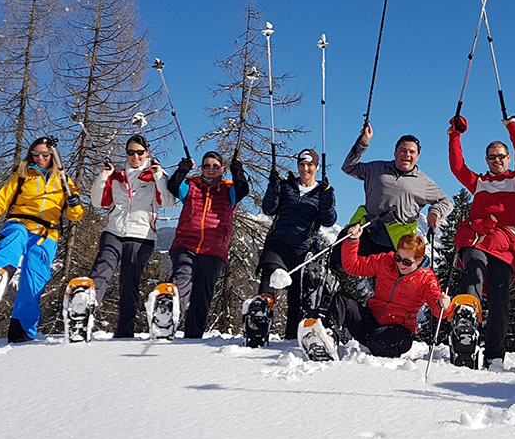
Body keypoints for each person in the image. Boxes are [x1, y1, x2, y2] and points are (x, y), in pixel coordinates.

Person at [0, 136, 84, 342]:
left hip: (47, 233)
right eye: (35, 154)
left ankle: (21, 332)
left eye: (45, 155)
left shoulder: (64, 180)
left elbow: (76, 216)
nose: (40, 158)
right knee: (15, 238)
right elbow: (0, 201)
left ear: (53, 156)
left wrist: (74, 204)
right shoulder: (22, 175)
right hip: (20, 222)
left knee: (34, 281)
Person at [446, 115, 515, 369]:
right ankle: (466, 326)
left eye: (501, 156)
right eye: (492, 157)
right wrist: (455, 136)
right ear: (486, 160)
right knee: (474, 271)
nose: (497, 160)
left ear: (508, 158)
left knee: (499, 297)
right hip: (477, 238)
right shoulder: (479, 182)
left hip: (505, 244)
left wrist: (512, 127)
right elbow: (457, 167)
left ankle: (494, 354)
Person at [86, 134, 176, 338]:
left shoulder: (156, 174)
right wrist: (103, 177)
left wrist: (158, 176)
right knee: (102, 267)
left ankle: (124, 332)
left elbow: (168, 202)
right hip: (114, 230)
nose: (135, 156)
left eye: (140, 152)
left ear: (147, 153)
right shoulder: (116, 174)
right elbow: (98, 202)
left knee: (129, 283)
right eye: (131, 152)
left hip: (141, 235)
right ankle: (85, 306)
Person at [327, 223, 450, 358]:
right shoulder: (386, 261)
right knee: (341, 300)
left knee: (378, 342)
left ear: (419, 260)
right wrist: (353, 240)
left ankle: (386, 361)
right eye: (398, 258)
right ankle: (328, 338)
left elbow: (438, 309)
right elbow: (353, 266)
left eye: (407, 262)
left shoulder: (427, 279)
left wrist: (443, 305)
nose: (400, 264)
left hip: (399, 332)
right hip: (372, 322)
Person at [255, 148, 337, 339]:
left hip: (303, 249)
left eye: (309, 165)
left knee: (296, 296)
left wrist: (327, 200)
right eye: (302, 164)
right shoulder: (285, 186)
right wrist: (273, 188)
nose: (305, 168)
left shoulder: (323, 192)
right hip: (277, 244)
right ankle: (258, 328)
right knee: (269, 282)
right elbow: (269, 209)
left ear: (317, 167)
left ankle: (292, 337)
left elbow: (328, 221)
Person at [167, 150, 249, 339]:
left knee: (202, 294)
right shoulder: (191, 185)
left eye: (215, 166)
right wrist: (183, 168)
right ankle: (168, 321)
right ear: (202, 168)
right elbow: (173, 186)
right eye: (206, 166)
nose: (211, 169)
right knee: (182, 278)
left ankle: (192, 337)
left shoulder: (229, 189)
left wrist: (237, 169)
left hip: (214, 248)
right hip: (186, 242)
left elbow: (243, 189)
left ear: (222, 169)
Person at [339, 122, 453, 258]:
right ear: (395, 153)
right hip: (367, 229)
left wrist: (436, 211)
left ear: (417, 157)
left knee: (385, 271)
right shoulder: (376, 169)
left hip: (395, 241)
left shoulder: (424, 182)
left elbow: (446, 202)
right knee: (341, 256)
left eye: (412, 152)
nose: (407, 154)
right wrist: (363, 142)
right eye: (403, 150)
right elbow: (348, 167)